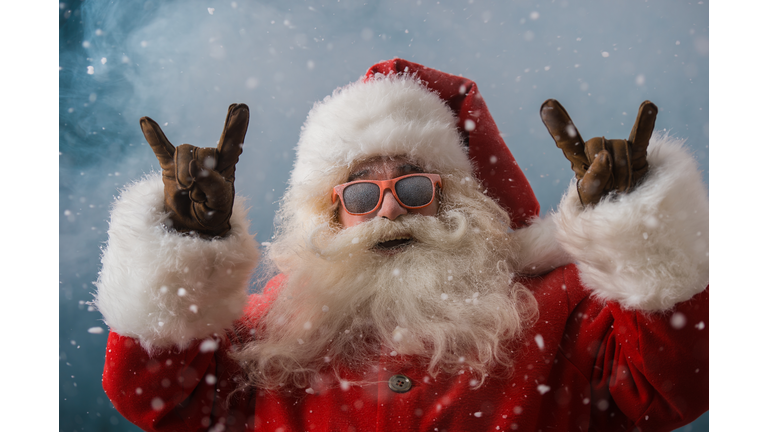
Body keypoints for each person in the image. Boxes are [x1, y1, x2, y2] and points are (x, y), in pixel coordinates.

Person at [94, 59, 709, 432]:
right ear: (330, 217)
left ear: (461, 202)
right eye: (361, 196)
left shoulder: (563, 306)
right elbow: (158, 401)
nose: (388, 209)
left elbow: (676, 387)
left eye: (414, 187)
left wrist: (640, 228)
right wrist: (183, 249)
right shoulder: (269, 333)